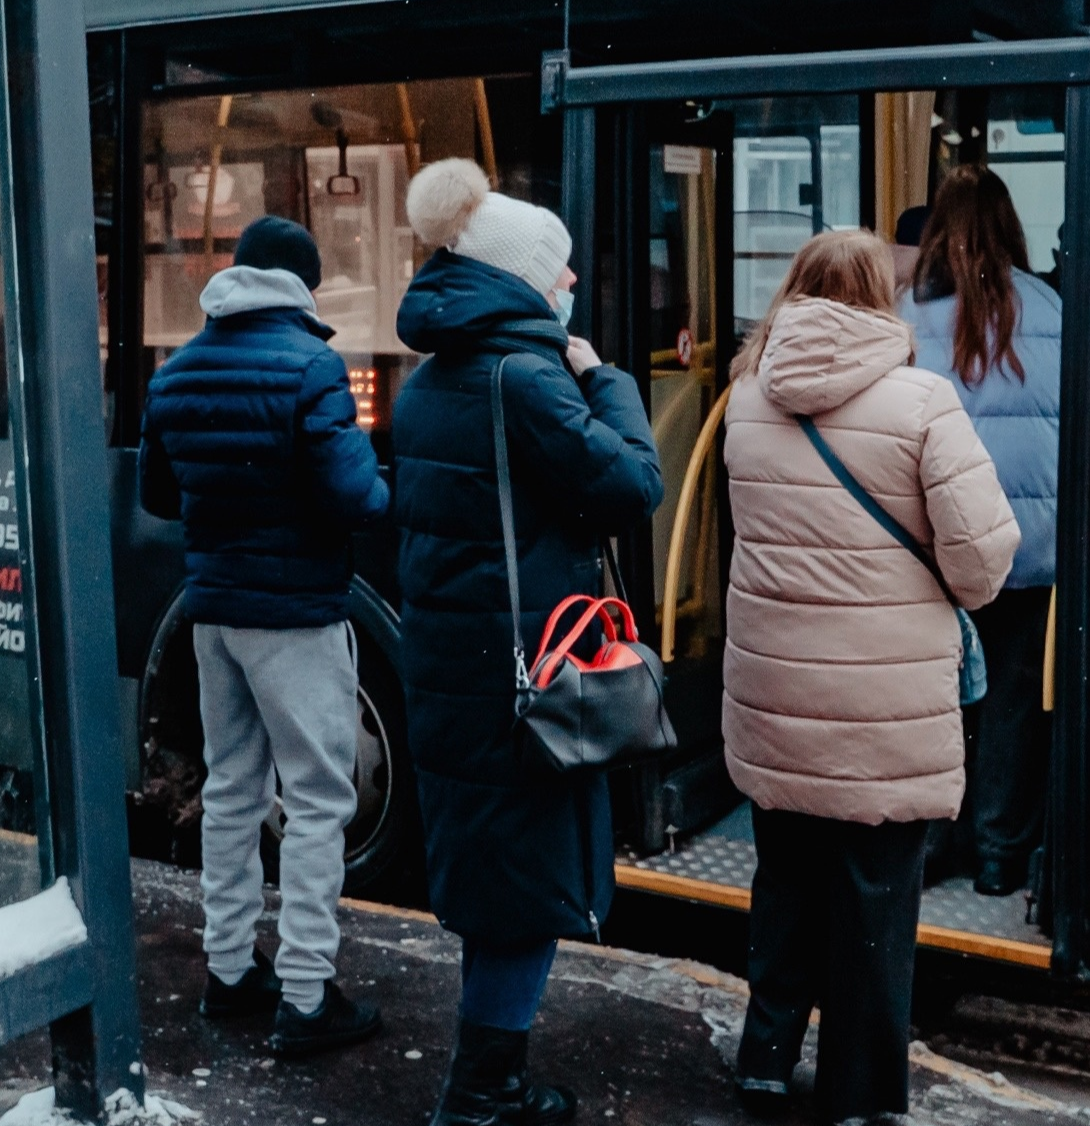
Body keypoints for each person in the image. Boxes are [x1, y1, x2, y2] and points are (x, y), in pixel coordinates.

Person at [720, 228, 1019, 1124]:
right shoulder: (923, 401)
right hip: (881, 716)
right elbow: (984, 564)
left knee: (783, 890)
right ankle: (858, 1095)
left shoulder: (745, 396)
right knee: (874, 910)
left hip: (775, 698)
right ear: (877, 298)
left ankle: (764, 1062)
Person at [391, 158, 664, 1126]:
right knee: (528, 887)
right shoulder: (528, 380)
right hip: (523, 678)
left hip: (454, 672)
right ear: (516, 279)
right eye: (558, 267)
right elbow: (633, 487)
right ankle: (477, 1094)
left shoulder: (431, 378)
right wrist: (608, 376)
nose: (574, 282)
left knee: (493, 880)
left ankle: (488, 1079)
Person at [138, 216, 391, 1057]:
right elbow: (353, 493)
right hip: (296, 615)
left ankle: (230, 971)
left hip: (214, 615)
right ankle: (310, 996)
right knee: (321, 800)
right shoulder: (312, 365)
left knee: (232, 791)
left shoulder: (176, 372)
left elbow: (160, 497)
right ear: (303, 285)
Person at [896, 165, 1062, 898]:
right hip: (1030, 548)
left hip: (935, 548)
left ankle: (935, 843)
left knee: (939, 695)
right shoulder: (1051, 308)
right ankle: (999, 855)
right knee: (1014, 700)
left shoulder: (906, 315)